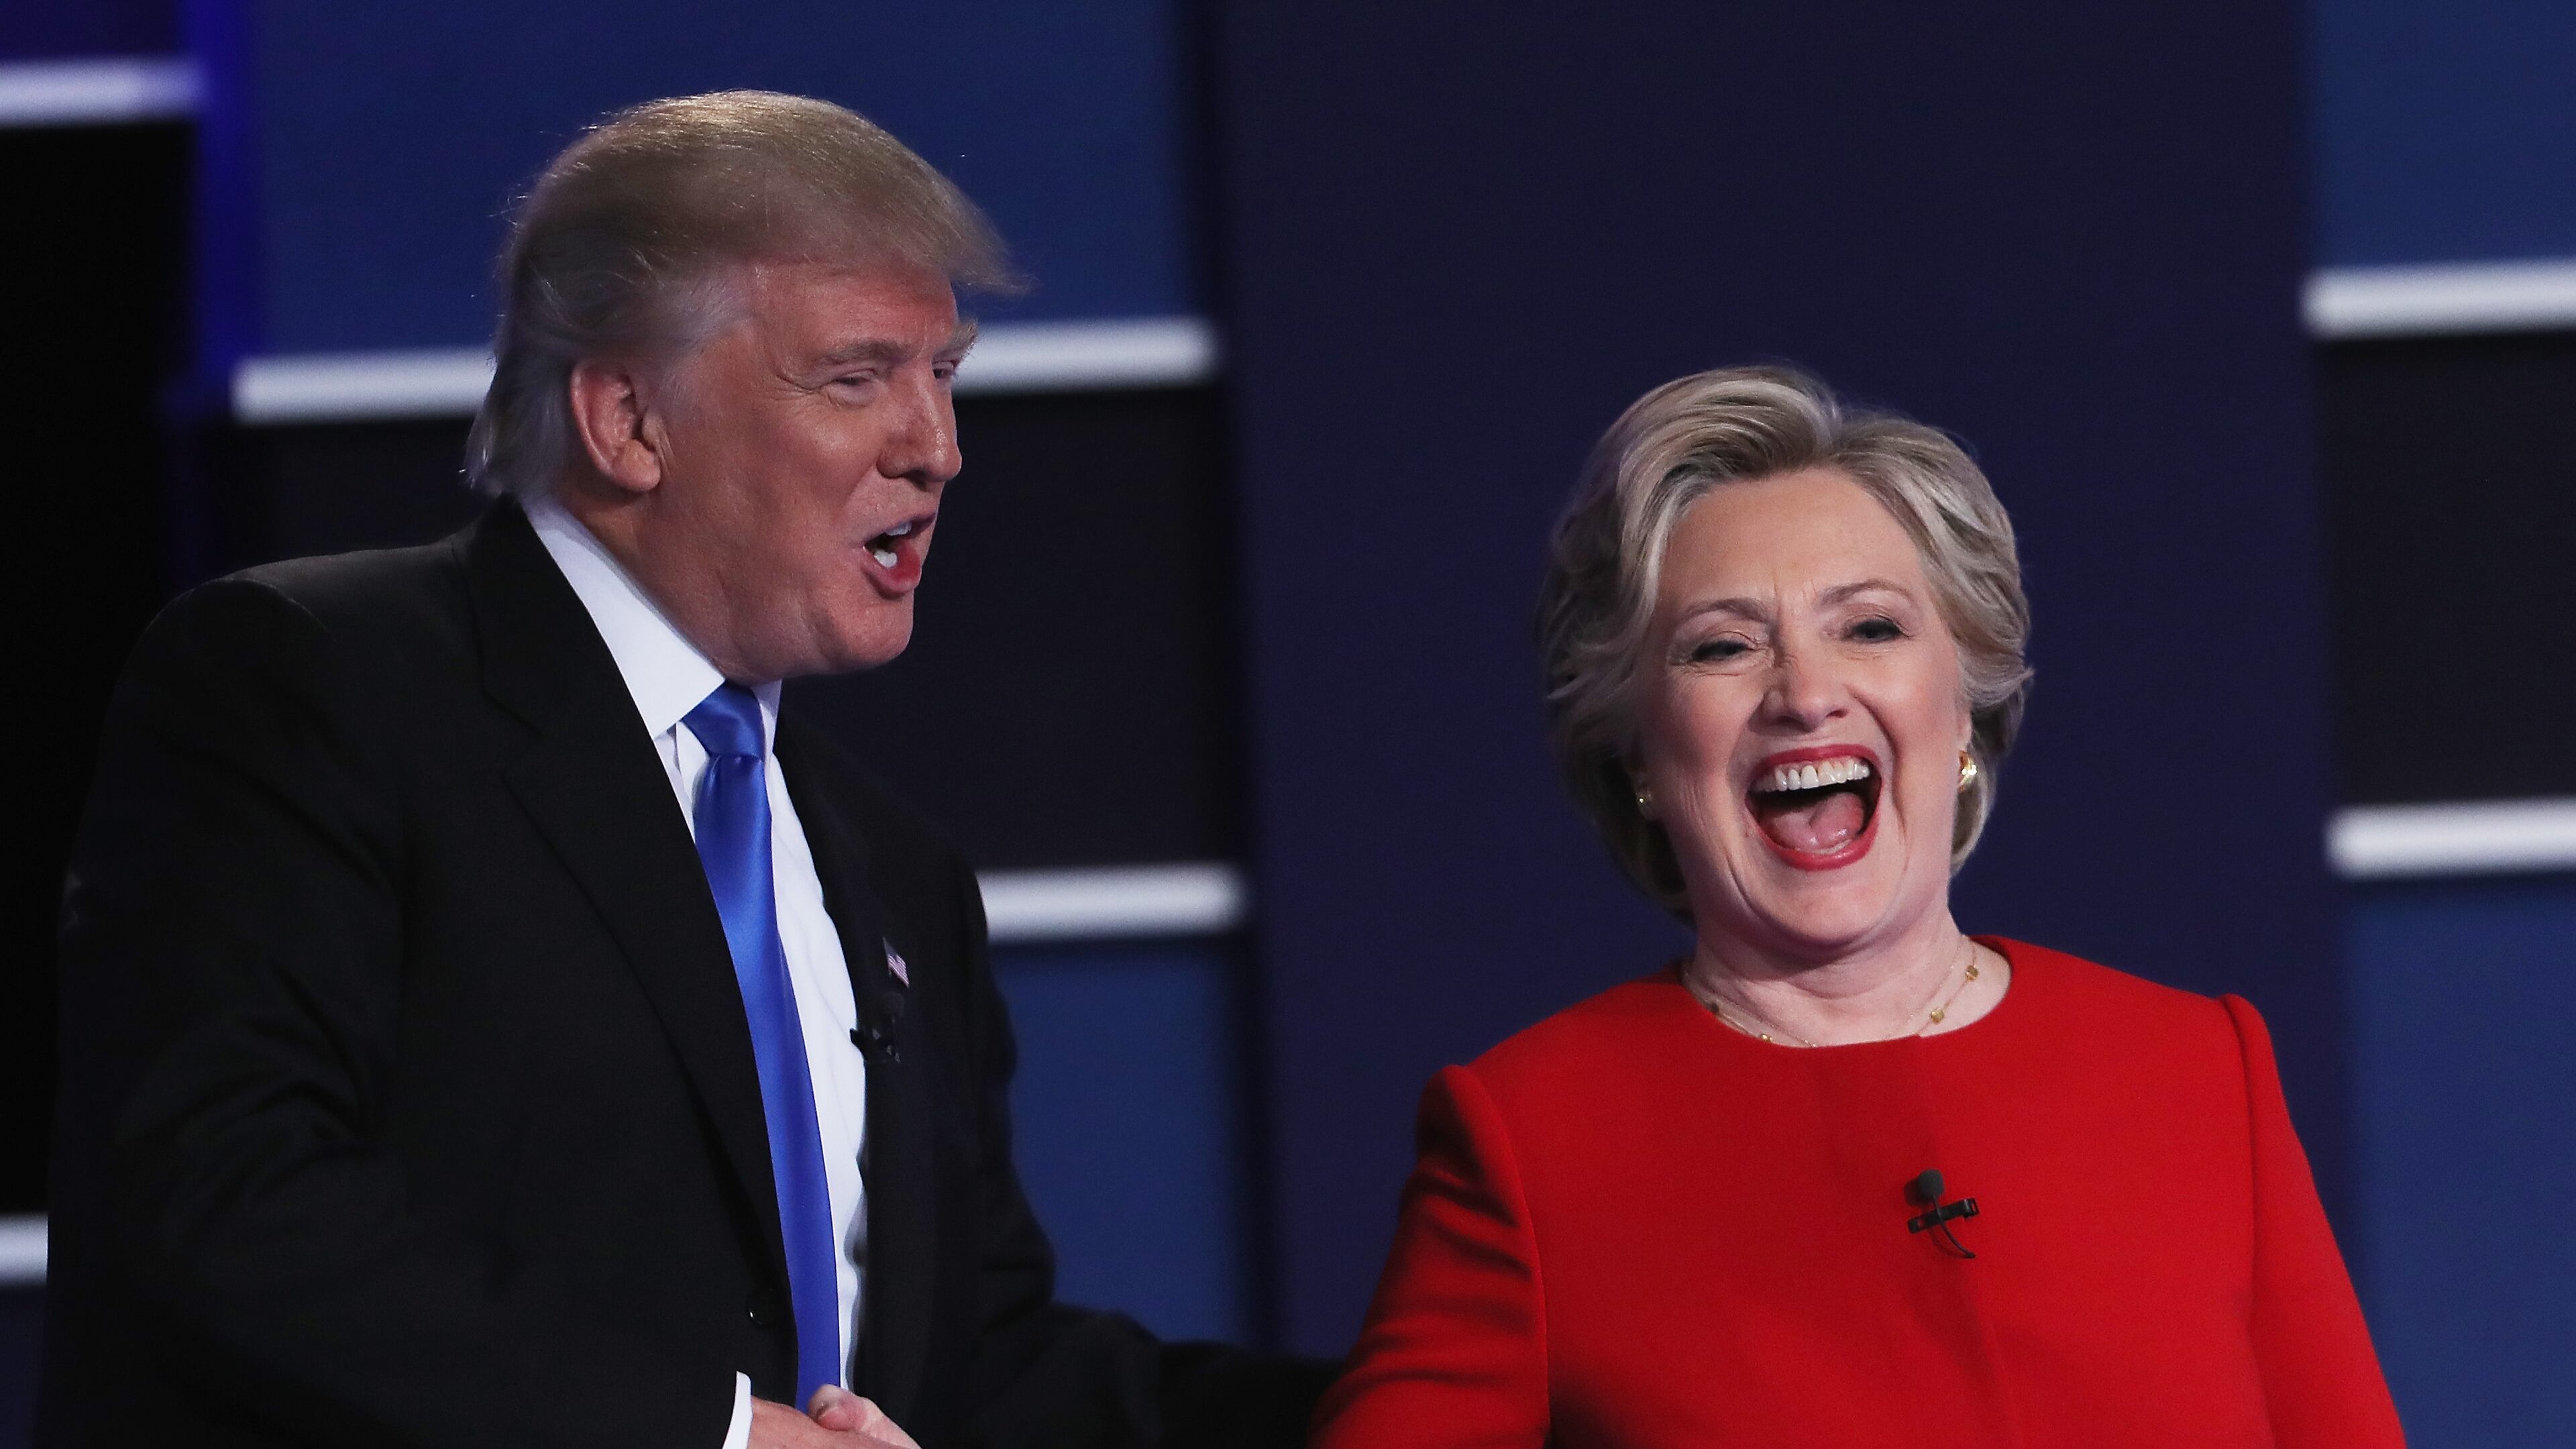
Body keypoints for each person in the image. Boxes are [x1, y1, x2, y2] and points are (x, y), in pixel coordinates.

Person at [43, 92, 1322, 1449]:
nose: (935, 446)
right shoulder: (316, 682)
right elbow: (222, 1199)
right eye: (857, 376)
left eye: (943, 373)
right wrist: (713, 1436)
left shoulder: (893, 875)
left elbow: (980, 1375)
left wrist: (1427, 1414)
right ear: (628, 421)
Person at [1309, 366, 2405, 1447]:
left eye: (1870, 628)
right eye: (1723, 646)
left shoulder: (2200, 1072)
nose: (1804, 692)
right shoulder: (1531, 1141)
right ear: (1639, 752)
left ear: (1964, 707)